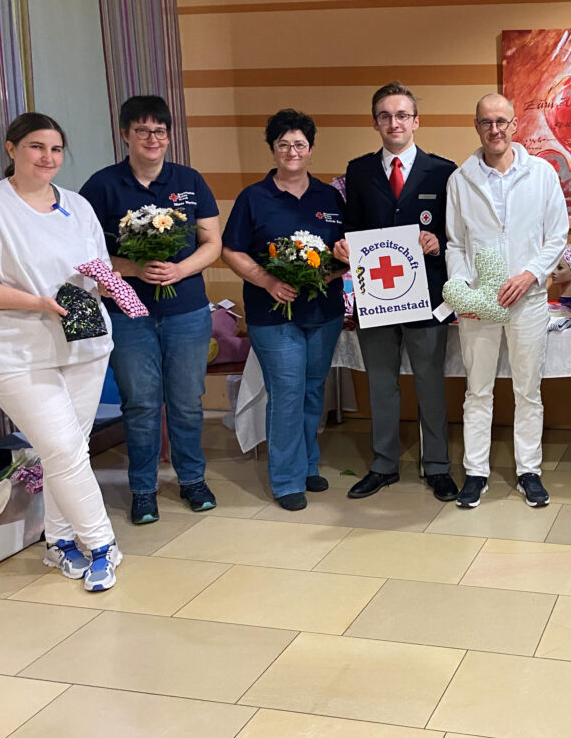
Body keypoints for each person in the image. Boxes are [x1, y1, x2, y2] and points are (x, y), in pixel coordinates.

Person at [0, 113, 122, 590]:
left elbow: (98, 268)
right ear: (11, 149)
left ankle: (59, 542)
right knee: (64, 448)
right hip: (16, 351)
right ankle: (102, 544)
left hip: (84, 343)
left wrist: (112, 287)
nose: (47, 158)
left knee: (65, 451)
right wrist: (37, 303)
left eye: (55, 149)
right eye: (35, 147)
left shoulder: (77, 205)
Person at [80, 95, 222, 525]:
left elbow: (212, 243)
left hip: (187, 310)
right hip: (128, 313)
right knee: (140, 403)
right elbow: (89, 255)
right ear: (125, 134)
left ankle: (192, 480)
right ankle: (143, 489)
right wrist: (133, 267)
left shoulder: (190, 180)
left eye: (160, 131)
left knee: (186, 400)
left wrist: (179, 270)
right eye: (142, 131)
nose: (152, 139)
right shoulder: (102, 186)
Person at [333, 82, 459, 502]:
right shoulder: (358, 171)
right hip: (377, 294)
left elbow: (456, 232)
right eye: (385, 116)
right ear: (375, 123)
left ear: (416, 121)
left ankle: (437, 465)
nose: (394, 122)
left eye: (402, 114)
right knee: (381, 382)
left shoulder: (444, 171)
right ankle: (383, 465)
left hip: (426, 294)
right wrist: (343, 245)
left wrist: (438, 241)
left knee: (429, 382)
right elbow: (351, 225)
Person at [445, 93, 569, 508]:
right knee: (477, 390)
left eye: (502, 121)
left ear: (515, 125)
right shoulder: (460, 180)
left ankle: (528, 470)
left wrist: (530, 274)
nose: (494, 129)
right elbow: (455, 243)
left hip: (527, 299)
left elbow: (556, 236)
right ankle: (476, 471)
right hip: (480, 302)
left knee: (528, 390)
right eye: (486, 122)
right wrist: (462, 288)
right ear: (476, 126)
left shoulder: (541, 174)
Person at [221, 109, 346, 511]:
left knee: (312, 391)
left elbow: (348, 251)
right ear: (273, 150)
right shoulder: (254, 198)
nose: (292, 151)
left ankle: (308, 463)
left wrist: (325, 274)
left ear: (311, 150)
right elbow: (231, 250)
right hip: (272, 314)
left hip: (323, 313)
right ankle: (286, 478)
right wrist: (268, 281)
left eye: (300, 144)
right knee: (288, 393)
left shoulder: (330, 198)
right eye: (283, 144)